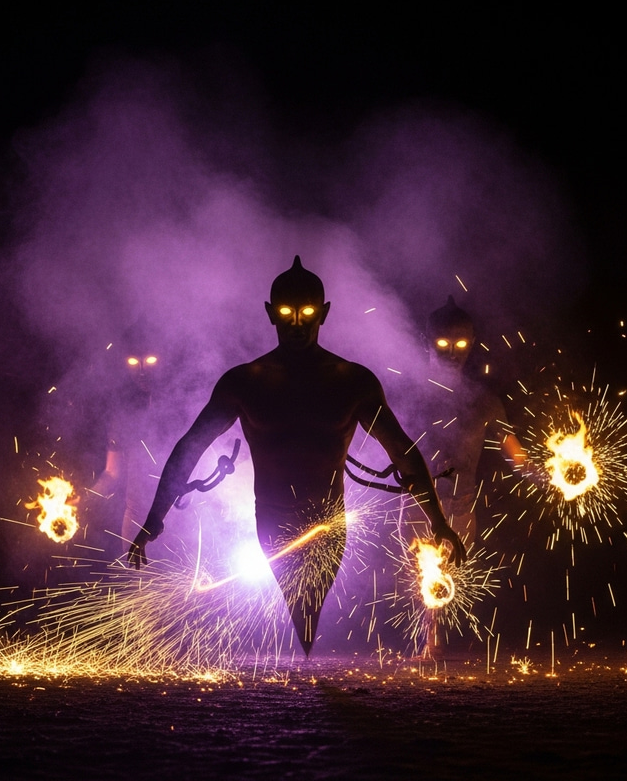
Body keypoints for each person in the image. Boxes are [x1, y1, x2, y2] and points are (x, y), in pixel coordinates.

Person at [127, 256, 466, 655]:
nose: (297, 322)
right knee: (294, 627)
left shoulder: (352, 381)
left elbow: (401, 450)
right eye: (287, 312)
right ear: (271, 315)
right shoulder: (244, 382)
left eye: (307, 312)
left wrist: (439, 522)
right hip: (270, 519)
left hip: (329, 521)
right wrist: (153, 520)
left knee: (310, 624)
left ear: (323, 313)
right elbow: (190, 447)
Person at [410, 296, 529, 547]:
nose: (452, 352)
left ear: (472, 343)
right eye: (443, 342)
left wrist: (555, 473)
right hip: (415, 514)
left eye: (461, 343)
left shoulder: (485, 403)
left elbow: (518, 459)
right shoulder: (408, 396)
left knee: (456, 586)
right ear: (426, 341)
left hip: (461, 517)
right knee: (409, 582)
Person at [86, 321, 169, 545]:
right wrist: (83, 499)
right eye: (134, 361)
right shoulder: (123, 415)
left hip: (178, 521)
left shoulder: (182, 408)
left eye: (149, 360)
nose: (142, 369)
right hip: (136, 524)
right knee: (137, 580)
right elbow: (111, 474)